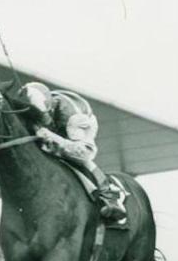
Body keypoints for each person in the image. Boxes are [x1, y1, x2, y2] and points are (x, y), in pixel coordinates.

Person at [23, 82, 126, 221]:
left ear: (50, 107)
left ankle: (109, 194)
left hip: (80, 130)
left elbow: (84, 153)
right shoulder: (36, 110)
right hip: (59, 126)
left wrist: (53, 137)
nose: (42, 121)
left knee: (74, 157)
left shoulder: (74, 117)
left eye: (44, 116)